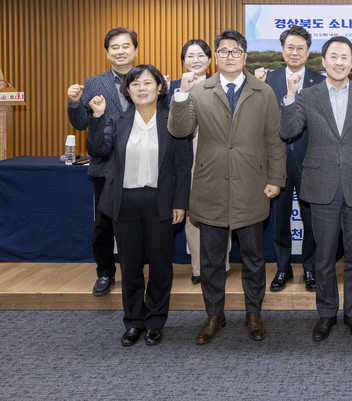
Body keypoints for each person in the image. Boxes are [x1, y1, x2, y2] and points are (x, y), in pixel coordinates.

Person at [168, 29, 286, 345]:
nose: (229, 56)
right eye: (223, 51)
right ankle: (214, 314)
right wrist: (181, 95)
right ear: (216, 57)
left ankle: (253, 313)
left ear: (244, 56)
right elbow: (179, 130)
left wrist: (276, 179)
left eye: (235, 51)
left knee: (253, 258)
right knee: (211, 260)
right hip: (211, 185)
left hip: (251, 185)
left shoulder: (263, 91)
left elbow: (274, 140)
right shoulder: (200, 90)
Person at [279, 36, 352, 342]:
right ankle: (326, 314)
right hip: (321, 185)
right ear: (323, 62)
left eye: (344, 57)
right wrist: (289, 96)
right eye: (333, 56)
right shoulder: (307, 95)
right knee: (323, 257)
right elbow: (288, 130)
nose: (339, 62)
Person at [86, 64, 191, 347]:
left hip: (161, 200)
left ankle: (155, 321)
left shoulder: (172, 120)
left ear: (160, 87)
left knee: (160, 265)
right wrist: (97, 117)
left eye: (147, 83)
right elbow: (97, 150)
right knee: (130, 266)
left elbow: (183, 166)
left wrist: (180, 202)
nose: (141, 88)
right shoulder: (117, 120)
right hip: (125, 202)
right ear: (127, 91)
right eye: (135, 84)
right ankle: (133, 321)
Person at [67, 27, 139, 297]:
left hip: (142, 164)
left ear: (135, 50)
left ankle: (136, 272)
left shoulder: (147, 78)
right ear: (107, 52)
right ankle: (105, 272)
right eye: (114, 47)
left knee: (140, 222)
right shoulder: (94, 83)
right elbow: (80, 123)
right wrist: (75, 102)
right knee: (103, 224)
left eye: (125, 46)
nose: (120, 51)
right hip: (106, 166)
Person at [258, 25, 324, 292]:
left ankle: (310, 269)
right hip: (277, 160)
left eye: (300, 48)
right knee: (279, 219)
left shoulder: (320, 81)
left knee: (311, 219)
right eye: (290, 47)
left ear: (308, 52)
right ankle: (282, 268)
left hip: (311, 161)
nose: (295, 52)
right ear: (282, 50)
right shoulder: (267, 80)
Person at [168, 39, 230, 285]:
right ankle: (198, 268)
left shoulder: (222, 85)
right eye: (190, 56)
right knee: (192, 213)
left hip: (217, 157)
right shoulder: (172, 88)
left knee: (220, 211)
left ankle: (221, 265)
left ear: (209, 59)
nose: (195, 60)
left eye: (200, 55)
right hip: (186, 157)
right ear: (183, 61)